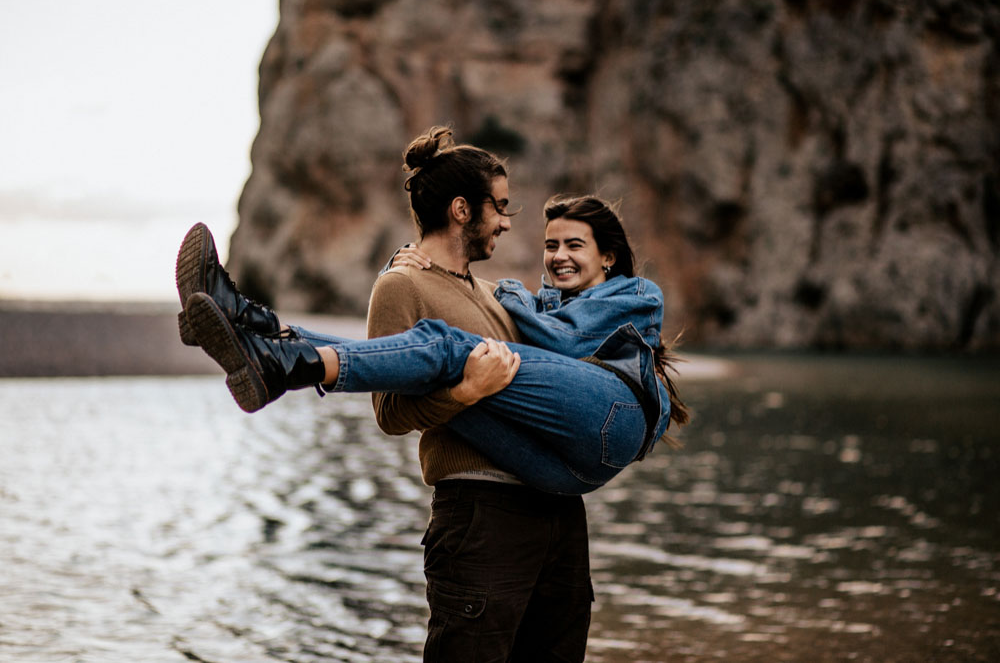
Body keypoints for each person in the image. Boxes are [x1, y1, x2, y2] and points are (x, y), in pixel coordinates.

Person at [176, 126, 686, 661]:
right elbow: (391, 413)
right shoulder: (402, 285)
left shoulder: (493, 293)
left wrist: (473, 384)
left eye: (568, 242)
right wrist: (464, 392)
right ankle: (257, 339)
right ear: (463, 209)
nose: (510, 223)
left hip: (555, 505)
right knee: (444, 352)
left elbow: (560, 354)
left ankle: (263, 338)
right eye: (502, 208)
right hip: (481, 511)